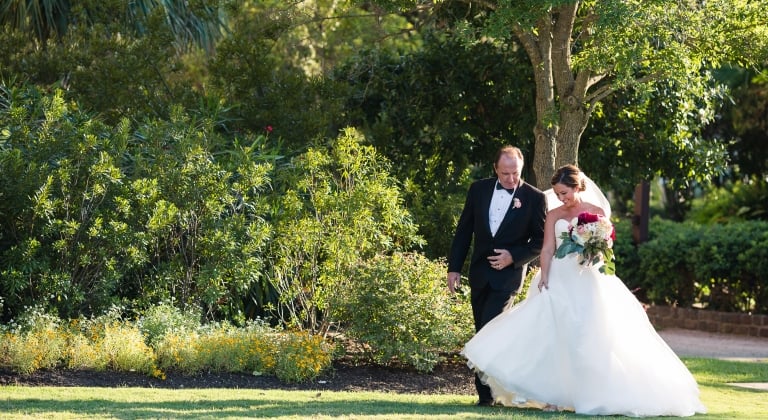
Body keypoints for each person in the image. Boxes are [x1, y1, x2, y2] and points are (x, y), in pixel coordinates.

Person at [461, 164, 707, 417]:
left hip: (588, 280)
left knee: (588, 336)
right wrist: (544, 276)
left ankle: (591, 392)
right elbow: (547, 249)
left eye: (564, 193)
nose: (561, 198)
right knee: (554, 336)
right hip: (558, 277)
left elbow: (606, 248)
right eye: (557, 194)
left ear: (577, 187)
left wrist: (594, 252)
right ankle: (552, 395)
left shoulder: (597, 212)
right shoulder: (554, 215)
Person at [447, 145, 547, 406]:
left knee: (490, 330)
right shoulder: (478, 190)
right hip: (479, 273)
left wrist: (513, 257)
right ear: (495, 169)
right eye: (505, 174)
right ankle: (486, 394)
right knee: (481, 331)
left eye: (515, 173)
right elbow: (463, 231)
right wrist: (453, 268)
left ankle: (488, 396)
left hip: (508, 278)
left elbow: (539, 241)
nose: (511, 179)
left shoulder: (535, 198)